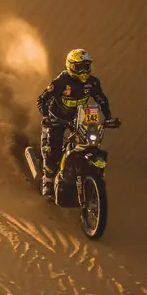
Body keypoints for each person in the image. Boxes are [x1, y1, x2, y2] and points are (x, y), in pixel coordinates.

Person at [36, 49, 113, 198]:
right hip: (57, 117)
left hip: (80, 117)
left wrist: (108, 117)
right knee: (53, 149)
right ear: (71, 66)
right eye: (80, 67)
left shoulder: (92, 82)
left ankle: (87, 176)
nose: (84, 71)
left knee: (92, 144)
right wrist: (46, 116)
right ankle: (48, 180)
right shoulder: (60, 82)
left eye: (87, 66)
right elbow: (42, 99)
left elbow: (101, 100)